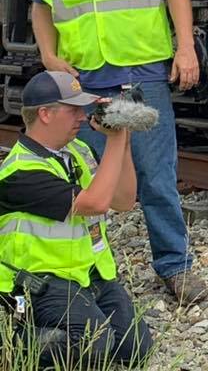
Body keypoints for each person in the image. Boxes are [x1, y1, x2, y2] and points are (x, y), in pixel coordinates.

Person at [30, 0, 208, 305]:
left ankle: (175, 267)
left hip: (139, 77)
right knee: (87, 184)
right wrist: (50, 57)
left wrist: (185, 47)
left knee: (155, 178)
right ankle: (89, 269)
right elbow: (40, 8)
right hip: (83, 85)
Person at [0, 71, 153, 366]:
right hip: (41, 283)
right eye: (73, 109)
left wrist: (124, 137)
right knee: (93, 345)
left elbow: (122, 200)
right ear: (44, 114)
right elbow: (95, 203)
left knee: (136, 349)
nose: (82, 117)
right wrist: (114, 138)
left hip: (88, 274)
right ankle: (14, 346)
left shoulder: (78, 151)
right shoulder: (20, 170)